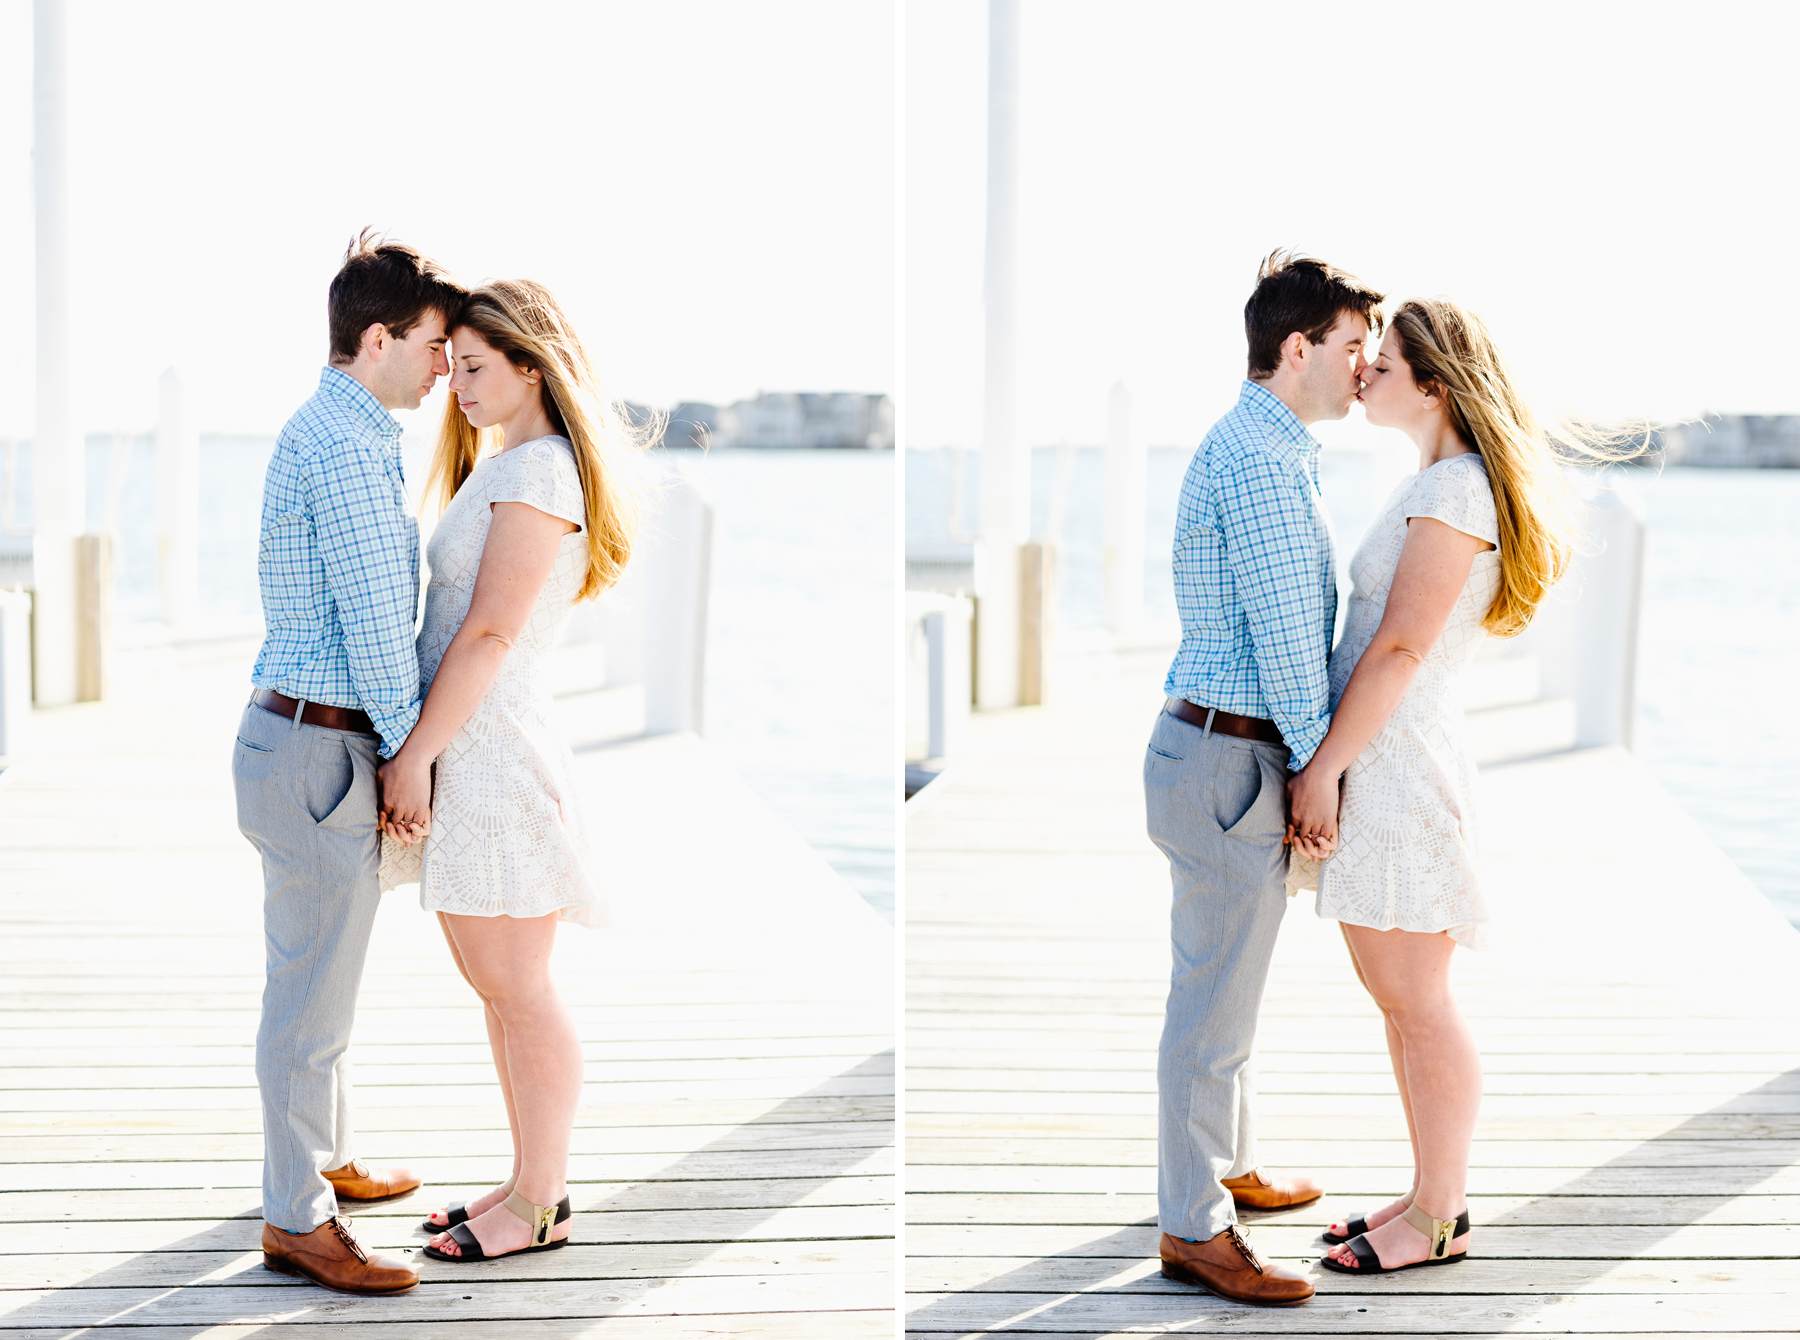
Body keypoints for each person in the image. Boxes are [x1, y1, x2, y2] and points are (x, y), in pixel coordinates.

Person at [1288, 297, 1623, 1274]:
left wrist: (1322, 768)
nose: (1364, 375)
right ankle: (1425, 1195)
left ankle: (1441, 1214)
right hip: (1385, 763)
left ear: (1434, 384)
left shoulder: (1457, 492)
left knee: (1419, 1001)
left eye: (1382, 364)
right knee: (1400, 1000)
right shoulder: (1439, 481)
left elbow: (1396, 649)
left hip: (1393, 773)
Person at [375, 279, 646, 1263]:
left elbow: (487, 633)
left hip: (490, 761)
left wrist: (414, 756)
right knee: (502, 989)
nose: (458, 385)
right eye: (454, 367)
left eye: (478, 367)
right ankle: (527, 1183)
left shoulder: (538, 475)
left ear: (533, 364)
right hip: (478, 754)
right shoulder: (518, 465)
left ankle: (541, 1200)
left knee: (519, 988)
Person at [1146, 251, 1384, 1308]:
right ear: (1297, 349)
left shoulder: (1266, 443)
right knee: (1210, 996)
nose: (1365, 363)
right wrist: (1315, 768)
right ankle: (1195, 1225)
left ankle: (1225, 1166)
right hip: (1233, 753)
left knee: (1228, 977)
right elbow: (1291, 641)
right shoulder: (1259, 458)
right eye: (1349, 344)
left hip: (1216, 745)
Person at [233, 230, 465, 1295]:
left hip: (292, 734)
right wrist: (415, 753)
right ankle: (296, 1215)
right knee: (308, 989)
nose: (441, 366)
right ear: (378, 339)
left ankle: (319, 1160)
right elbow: (378, 626)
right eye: (428, 343)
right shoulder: (352, 443)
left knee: (318, 973)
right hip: (322, 744)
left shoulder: (329, 425)